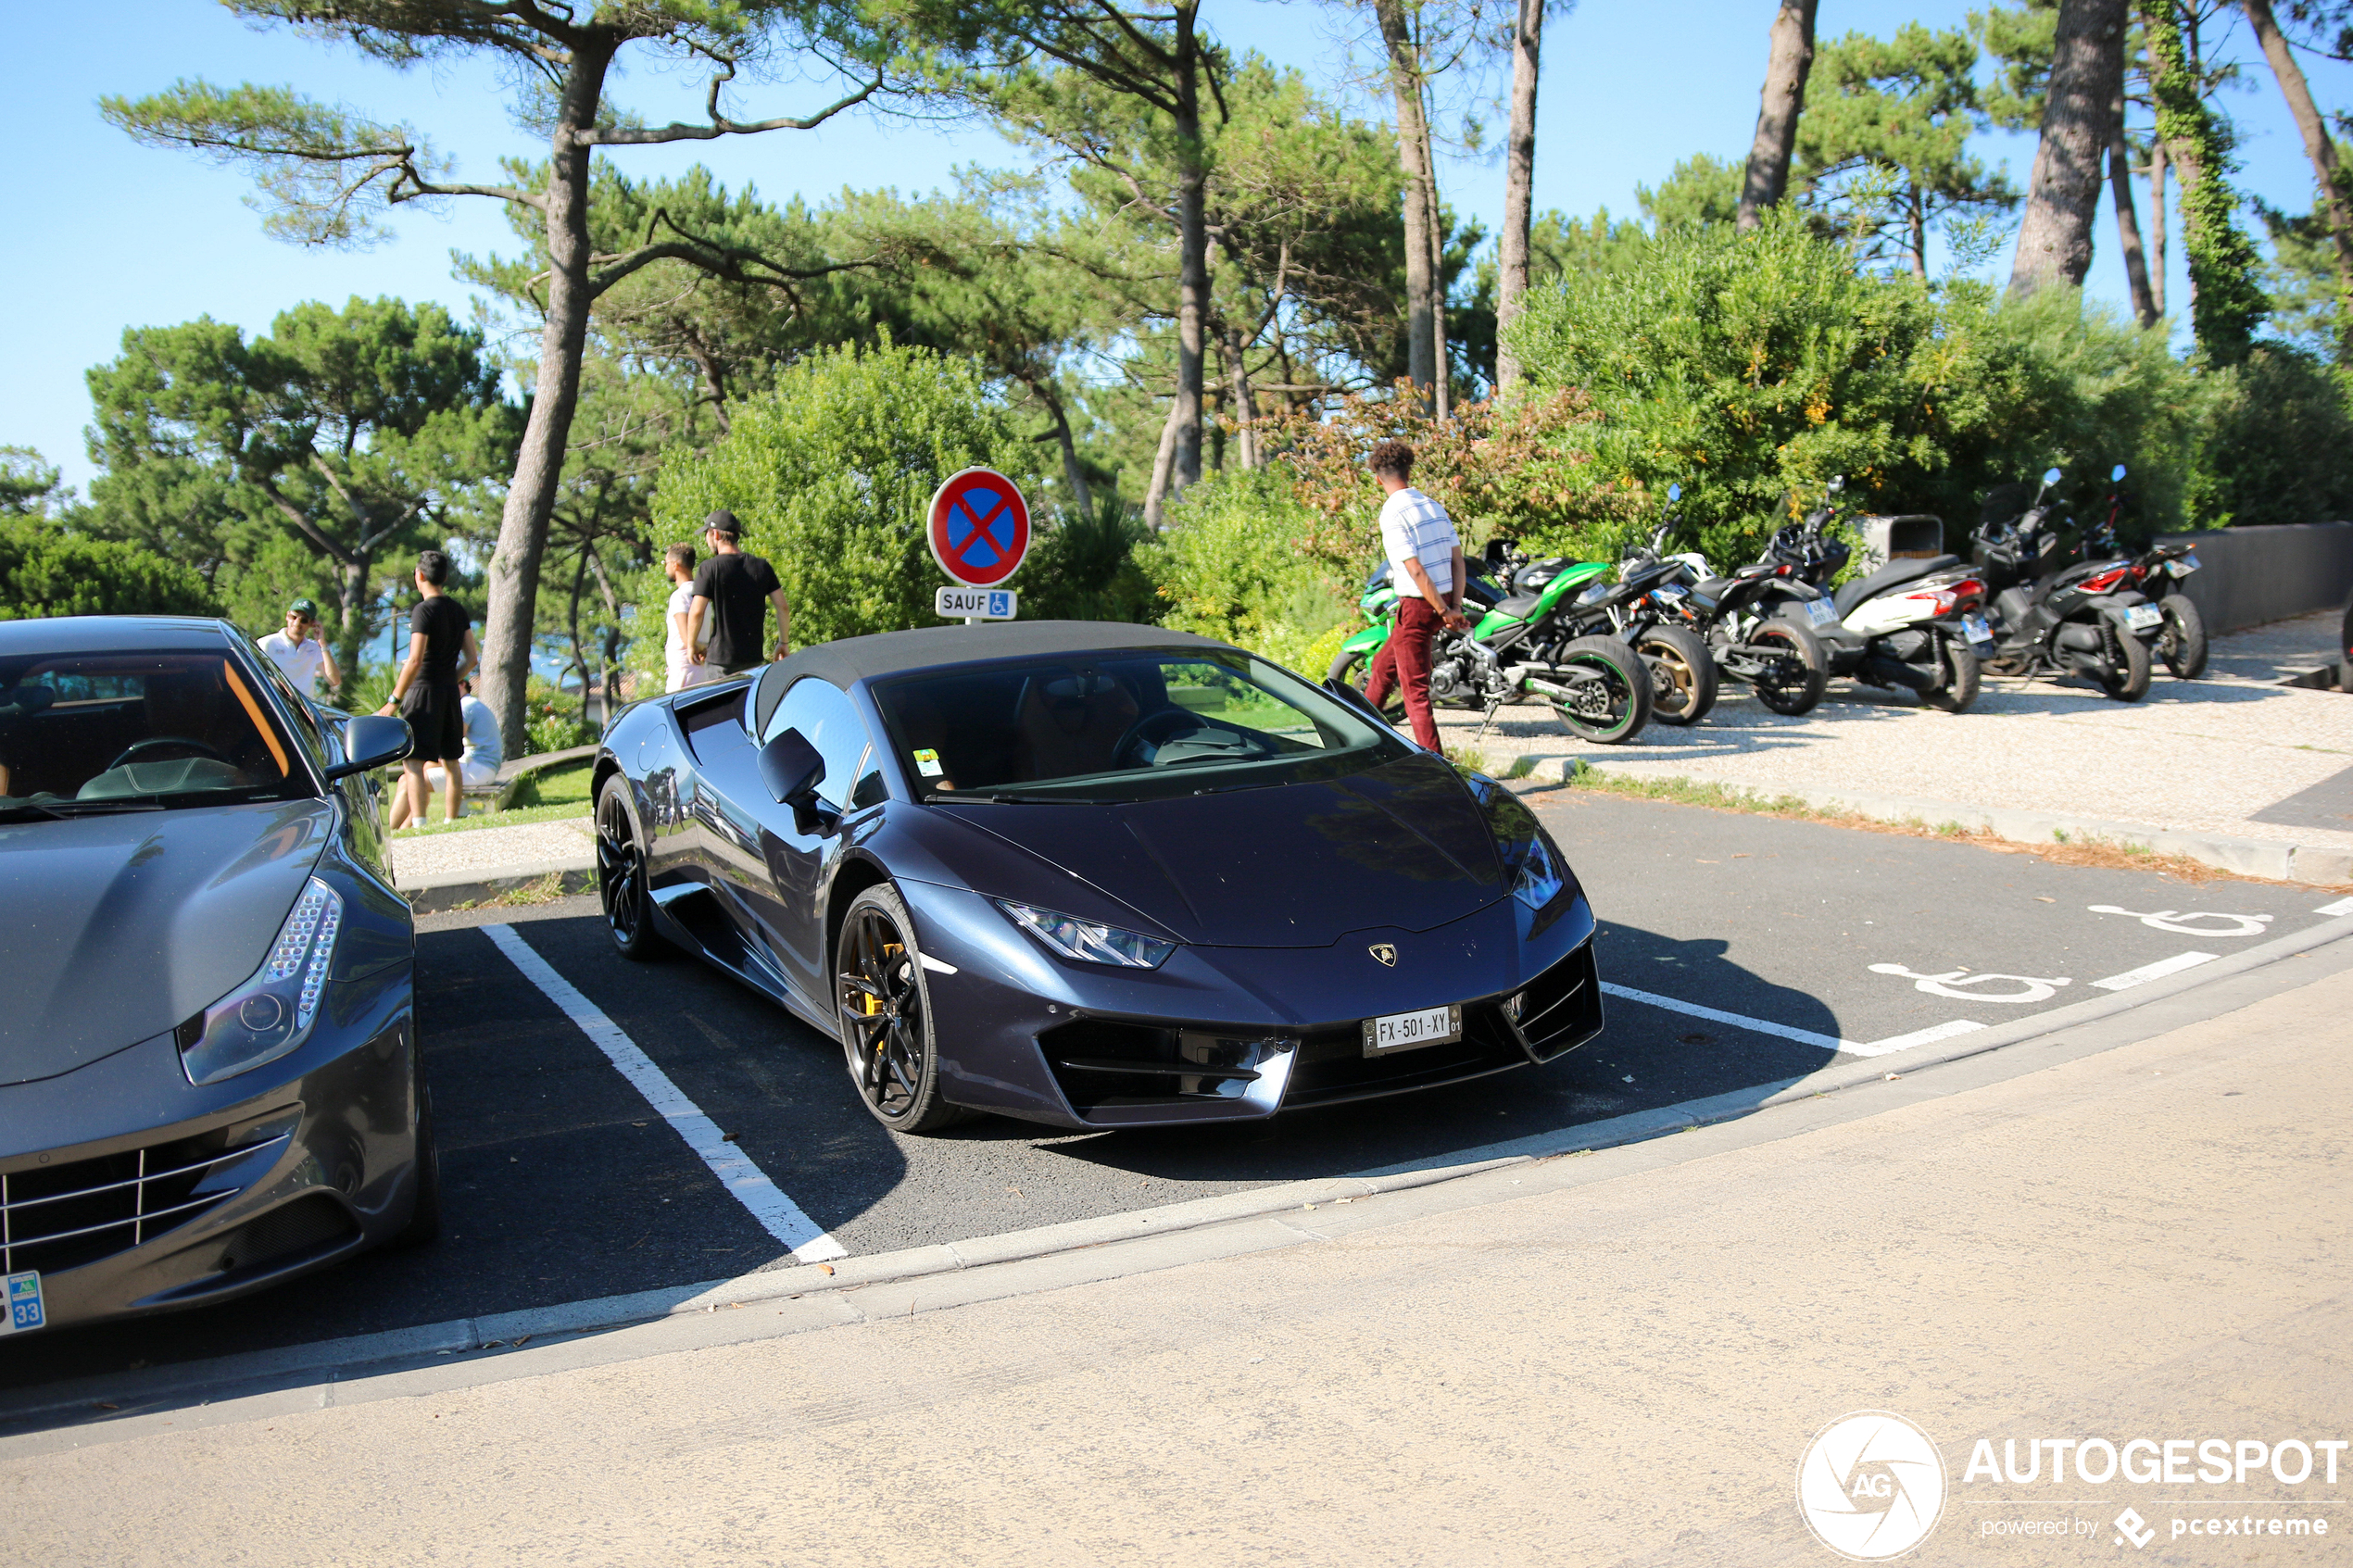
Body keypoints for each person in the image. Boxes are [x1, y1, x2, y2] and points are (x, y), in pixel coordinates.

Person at [1362, 440, 1470, 752]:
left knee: (1415, 693)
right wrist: (1454, 605)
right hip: (1443, 598)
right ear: (1408, 472)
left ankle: (1438, 766)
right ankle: (1360, 734)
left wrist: (1442, 610)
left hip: (1419, 605)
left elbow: (1414, 570)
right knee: (1383, 668)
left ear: (1378, 479)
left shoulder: (1392, 512)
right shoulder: (1432, 505)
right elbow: (1457, 562)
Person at [377, 550, 480, 830]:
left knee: (413, 762)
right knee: (451, 760)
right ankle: (450, 821)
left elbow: (414, 660)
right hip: (449, 694)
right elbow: (472, 658)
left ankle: (421, 823)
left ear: (419, 575)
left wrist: (394, 700)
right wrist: (449, 678)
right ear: (444, 577)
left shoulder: (423, 610)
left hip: (423, 693)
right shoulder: (458, 610)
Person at [686, 510, 790, 679]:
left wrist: (691, 645)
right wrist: (783, 643)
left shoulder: (709, 567)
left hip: (720, 662)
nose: (706, 540)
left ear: (716, 535)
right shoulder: (761, 566)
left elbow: (697, 611)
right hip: (753, 659)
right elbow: (782, 607)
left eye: (707, 534)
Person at [423, 677, 503, 795]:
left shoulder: (465, 706)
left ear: (461, 685)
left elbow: (452, 741)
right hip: (482, 768)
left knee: (411, 781)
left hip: (478, 770)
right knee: (421, 772)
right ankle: (417, 813)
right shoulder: (472, 703)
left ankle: (417, 813)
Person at [257, 599, 342, 700]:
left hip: (301, 711)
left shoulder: (314, 648)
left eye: (304, 620)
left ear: (312, 623)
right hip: (275, 705)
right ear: (287, 616)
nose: (297, 623)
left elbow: (334, 680)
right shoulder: (267, 643)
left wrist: (322, 643)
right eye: (294, 617)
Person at [662, 543, 712, 693]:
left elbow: (686, 637)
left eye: (665, 563)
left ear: (675, 565)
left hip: (685, 671)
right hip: (702, 670)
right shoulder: (702, 596)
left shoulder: (680, 596)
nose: (665, 567)